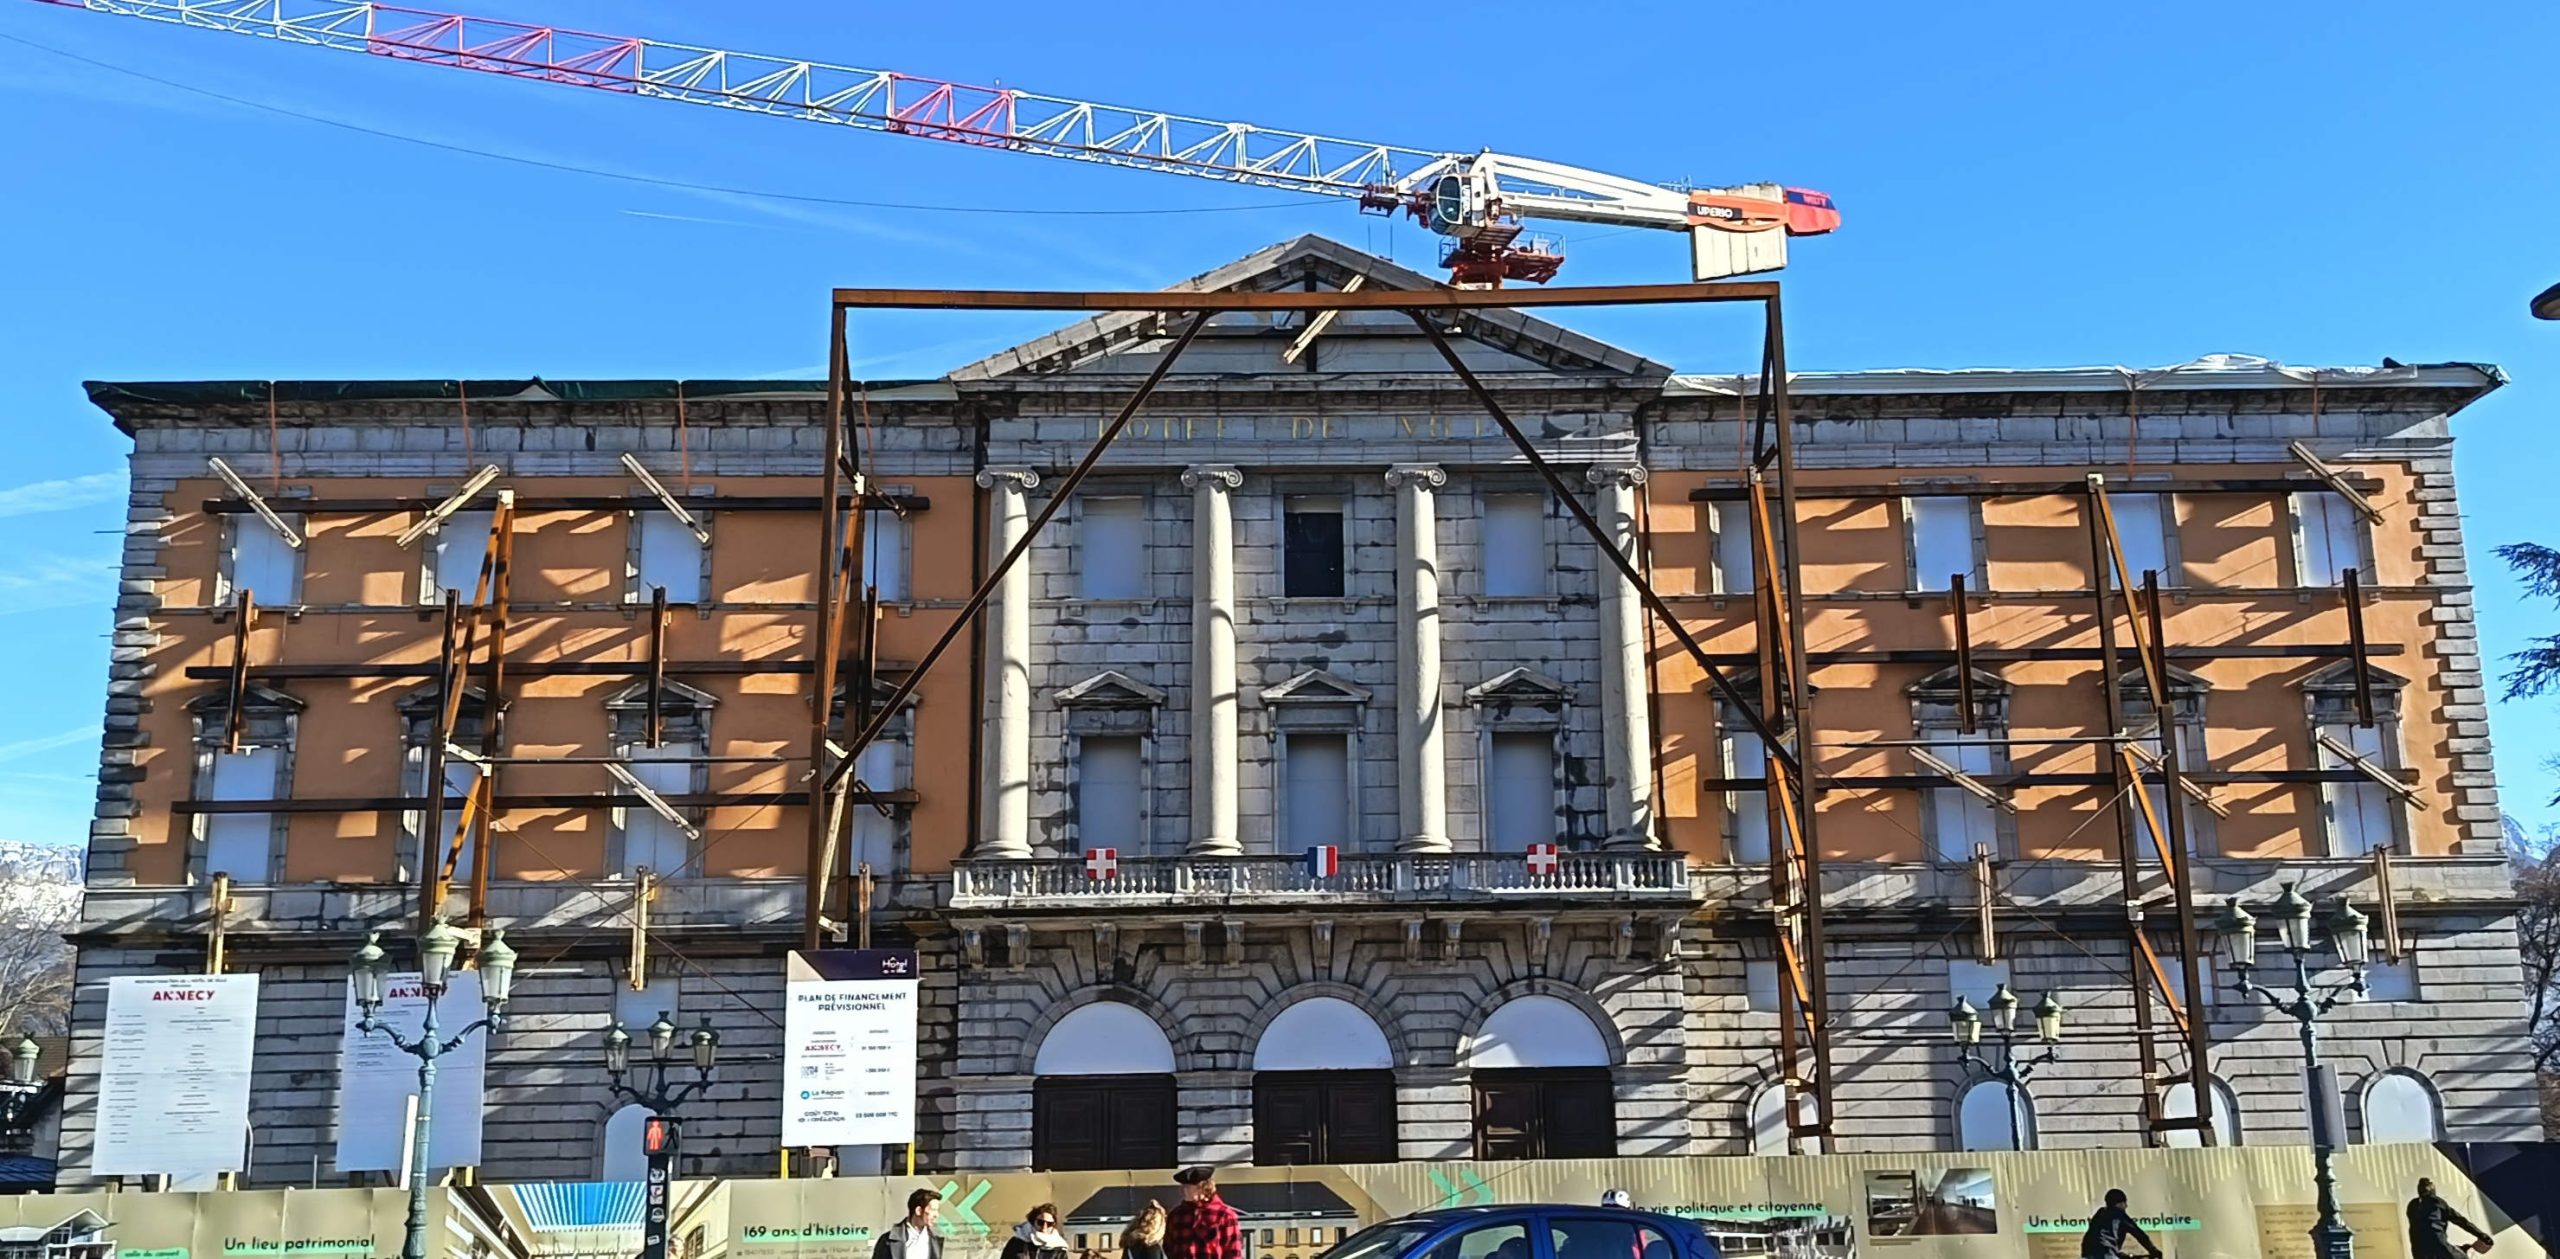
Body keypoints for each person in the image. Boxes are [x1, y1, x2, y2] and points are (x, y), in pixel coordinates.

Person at [1167, 1167, 1243, 1259]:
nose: (1181, 1190)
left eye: (1187, 1187)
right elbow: (1169, 1248)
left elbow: (1233, 1252)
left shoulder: (1224, 1215)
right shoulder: (1176, 1215)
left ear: (1202, 1187)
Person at [2407, 1178, 2495, 1258]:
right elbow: (2461, 1221)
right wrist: (2481, 1235)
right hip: (2439, 1247)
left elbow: (2425, 1231)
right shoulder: (2437, 1202)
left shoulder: (2412, 1206)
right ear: (2432, 1189)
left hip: (2418, 1253)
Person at [2080, 1189, 2161, 1259]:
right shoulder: (2120, 1215)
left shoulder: (2100, 1212)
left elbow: (2099, 1238)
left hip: (2087, 1253)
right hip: (2106, 1254)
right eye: (2125, 1203)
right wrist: (2153, 1250)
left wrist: (2116, 1254)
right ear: (2119, 1204)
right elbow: (2140, 1235)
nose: (2126, 1206)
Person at [873, 1189, 943, 1259]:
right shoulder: (887, 1241)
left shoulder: (935, 1241)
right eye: (933, 1210)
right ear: (918, 1211)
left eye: (937, 1210)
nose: (936, 1215)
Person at [1002, 1206, 1071, 1259]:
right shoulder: (1017, 1242)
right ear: (1033, 1222)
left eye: (1049, 1224)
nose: (1044, 1227)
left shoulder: (1059, 1248)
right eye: (1040, 1222)